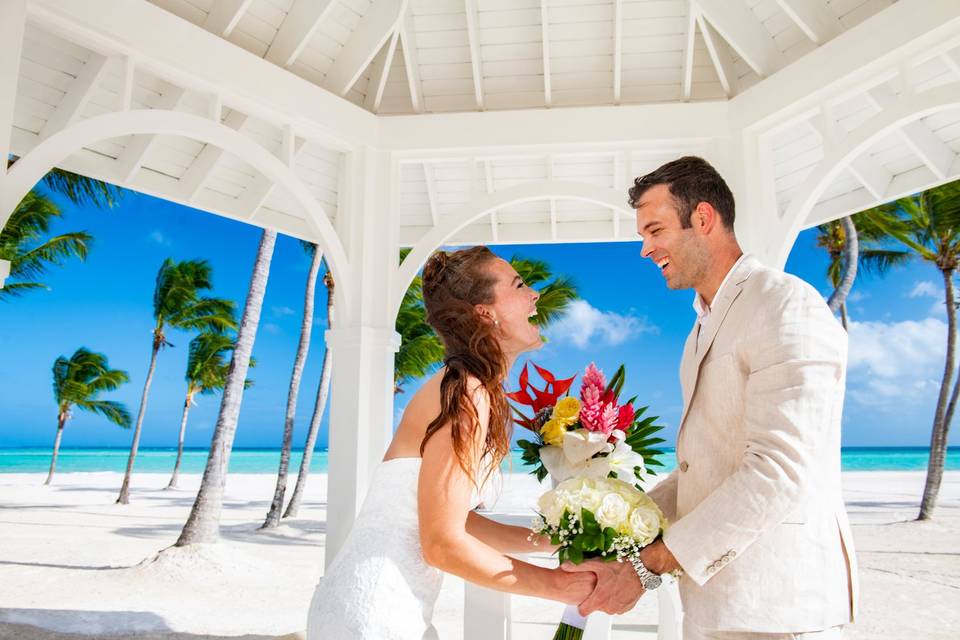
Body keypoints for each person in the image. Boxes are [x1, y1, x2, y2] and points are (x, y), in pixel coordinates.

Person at [565, 156, 859, 639]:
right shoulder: (699, 329)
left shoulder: (785, 304)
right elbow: (703, 470)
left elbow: (778, 470)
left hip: (780, 606)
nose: (645, 249)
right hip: (714, 606)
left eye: (655, 230)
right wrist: (619, 524)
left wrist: (649, 566)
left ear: (703, 218)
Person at [306, 246, 596, 639]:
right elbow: (441, 544)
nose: (534, 295)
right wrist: (557, 586)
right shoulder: (465, 393)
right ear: (485, 312)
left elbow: (455, 519)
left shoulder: (465, 387)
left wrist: (546, 541)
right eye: (519, 284)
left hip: (372, 603)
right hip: (376, 612)